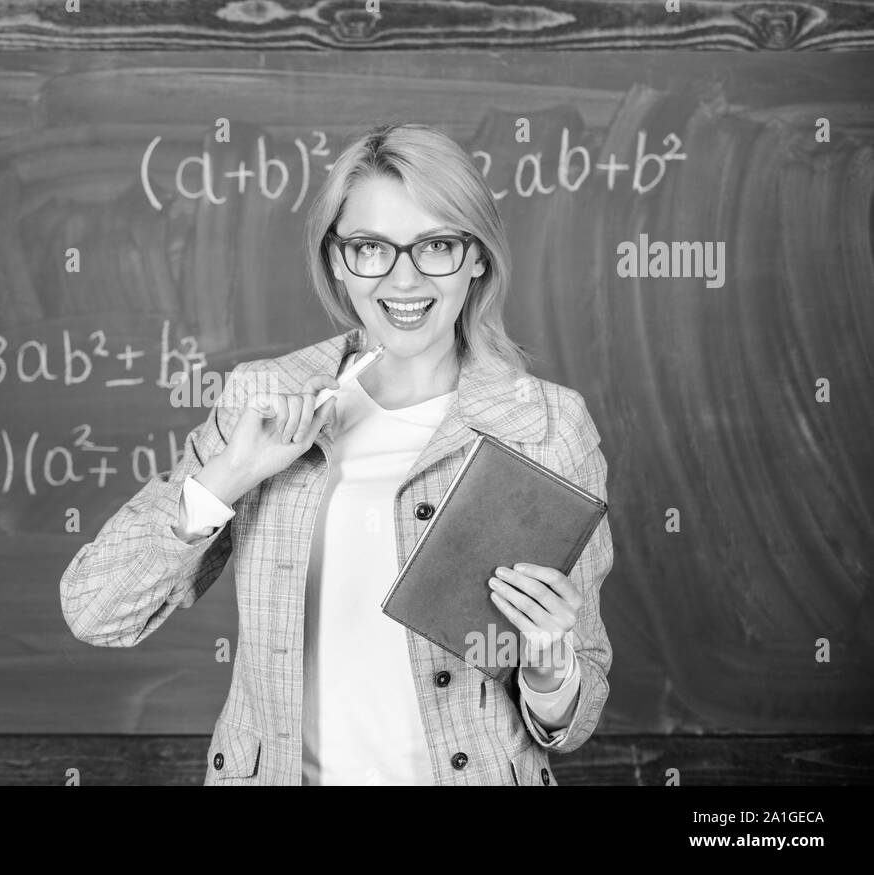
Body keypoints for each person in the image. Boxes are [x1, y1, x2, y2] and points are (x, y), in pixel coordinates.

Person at [60, 122, 614, 786]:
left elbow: (575, 718)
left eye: (436, 244)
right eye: (372, 247)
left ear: (477, 259)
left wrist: (551, 668)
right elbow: (97, 610)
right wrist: (230, 473)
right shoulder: (262, 399)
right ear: (336, 261)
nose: (404, 278)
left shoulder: (547, 424)